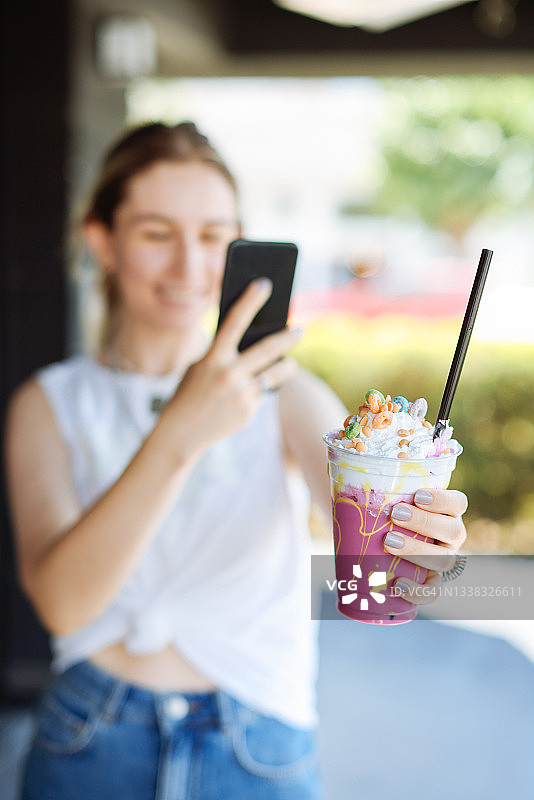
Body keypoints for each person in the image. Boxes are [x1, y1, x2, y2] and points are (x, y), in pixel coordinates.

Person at [4, 121, 468, 800]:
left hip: (257, 746)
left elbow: (375, 542)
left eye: (215, 235)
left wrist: (427, 553)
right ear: (102, 239)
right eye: (157, 233)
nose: (191, 267)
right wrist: (178, 436)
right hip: (89, 738)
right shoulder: (49, 404)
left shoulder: (287, 393)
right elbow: (64, 604)